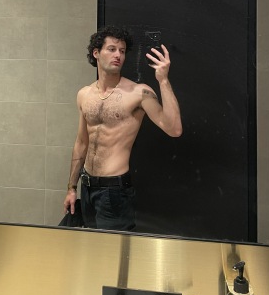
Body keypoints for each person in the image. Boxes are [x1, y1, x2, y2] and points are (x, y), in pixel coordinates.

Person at [63, 25, 182, 231]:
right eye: (111, 49)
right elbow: (81, 143)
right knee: (90, 246)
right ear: (96, 53)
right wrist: (72, 188)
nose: (118, 55)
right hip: (87, 188)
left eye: (122, 51)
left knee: (110, 249)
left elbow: (174, 128)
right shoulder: (84, 94)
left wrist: (163, 80)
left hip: (114, 192)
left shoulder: (138, 93)